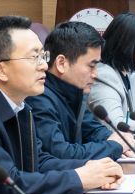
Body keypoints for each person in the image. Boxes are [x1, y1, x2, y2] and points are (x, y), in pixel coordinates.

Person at [0, 15, 123, 194]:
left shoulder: (21, 105)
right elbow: (8, 185)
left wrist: (94, 169)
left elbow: (39, 162)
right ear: (1, 70)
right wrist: (79, 178)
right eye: (34, 57)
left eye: (43, 56)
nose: (44, 65)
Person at [29, 20, 129, 163]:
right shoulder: (39, 98)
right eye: (91, 66)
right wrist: (113, 146)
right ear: (61, 63)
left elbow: (93, 130)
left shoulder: (75, 92)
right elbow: (60, 153)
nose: (95, 74)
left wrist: (117, 140)